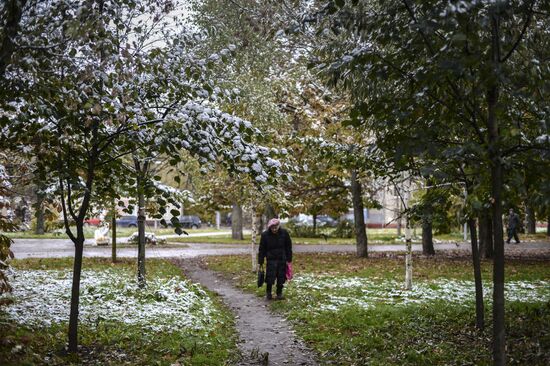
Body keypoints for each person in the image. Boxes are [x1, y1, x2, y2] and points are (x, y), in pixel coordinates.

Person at [258, 218, 292, 300]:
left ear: (278, 226)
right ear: (269, 227)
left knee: (281, 277)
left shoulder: (284, 233)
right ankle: (268, 293)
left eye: (275, 227)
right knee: (270, 277)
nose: (274, 229)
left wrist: (289, 258)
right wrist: (261, 260)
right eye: (272, 227)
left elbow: (288, 246)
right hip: (271, 259)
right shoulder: (265, 235)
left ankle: (279, 293)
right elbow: (262, 248)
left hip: (281, 258)